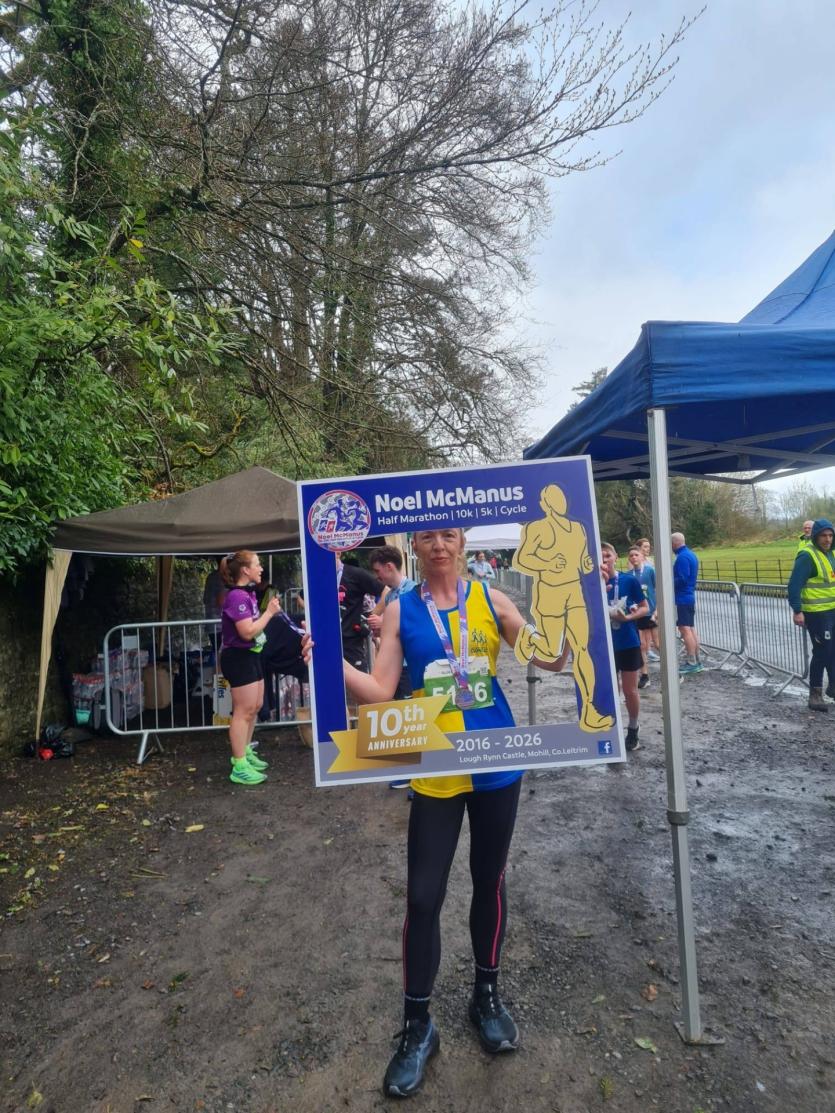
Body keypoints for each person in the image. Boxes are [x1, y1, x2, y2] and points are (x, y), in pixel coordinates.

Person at [343, 527, 564, 1098]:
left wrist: (575, 623)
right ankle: (418, 1026)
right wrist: (328, 664)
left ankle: (485, 997)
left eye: (448, 535)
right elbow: (381, 691)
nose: (439, 545)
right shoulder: (400, 609)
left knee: (489, 880)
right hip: (436, 766)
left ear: (462, 542)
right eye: (428, 537)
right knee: (423, 897)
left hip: (496, 763)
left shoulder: (492, 598)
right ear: (414, 547)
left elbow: (548, 657)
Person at [512, 483, 613, 731]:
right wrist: (547, 563)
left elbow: (583, 561)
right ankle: (530, 637)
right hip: (550, 593)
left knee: (582, 649)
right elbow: (522, 558)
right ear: (545, 504)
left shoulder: (578, 529)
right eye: (553, 498)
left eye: (560, 497)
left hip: (574, 592)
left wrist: (589, 566)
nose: (559, 501)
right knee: (551, 652)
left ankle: (589, 710)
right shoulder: (537, 528)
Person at [219, 551, 282, 785]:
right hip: (238, 657)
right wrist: (269, 613)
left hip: (252, 654)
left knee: (254, 707)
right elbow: (246, 632)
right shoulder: (237, 596)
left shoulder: (248, 593)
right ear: (245, 570)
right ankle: (239, 765)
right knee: (243, 711)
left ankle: (245, 752)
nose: (261, 568)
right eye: (257, 564)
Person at [367, 545, 417, 791]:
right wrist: (378, 628)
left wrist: (384, 622)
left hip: (409, 665)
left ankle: (416, 776)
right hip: (394, 666)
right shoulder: (390, 595)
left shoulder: (414, 591)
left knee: (410, 717)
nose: (377, 577)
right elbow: (388, 631)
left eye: (378, 571)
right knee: (400, 715)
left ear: (389, 567)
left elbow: (415, 627)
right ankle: (409, 772)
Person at [601, 543, 648, 750]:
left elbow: (645, 608)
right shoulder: (592, 583)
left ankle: (633, 727)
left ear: (615, 557)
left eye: (607, 555)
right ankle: (612, 729)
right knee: (610, 690)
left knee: (630, 690)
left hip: (628, 642)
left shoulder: (628, 580)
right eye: (600, 556)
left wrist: (628, 617)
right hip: (604, 644)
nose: (604, 559)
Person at [788, 518, 835, 711]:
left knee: (832, 651)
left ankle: (833, 686)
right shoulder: (807, 556)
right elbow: (794, 585)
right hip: (816, 614)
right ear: (816, 536)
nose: (827, 539)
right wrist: (797, 610)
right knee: (822, 652)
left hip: (832, 611)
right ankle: (815, 695)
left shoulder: (831, 553)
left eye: (830, 535)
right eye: (823, 535)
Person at [336, 555, 381, 672]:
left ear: (338, 553)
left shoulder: (355, 574)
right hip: (328, 641)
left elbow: (386, 591)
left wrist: (368, 619)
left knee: (358, 680)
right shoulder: (320, 577)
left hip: (351, 641)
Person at [627, 544, 657, 688]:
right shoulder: (629, 575)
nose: (634, 558)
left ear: (642, 556)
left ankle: (673, 670)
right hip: (639, 614)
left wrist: (657, 611)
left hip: (652, 612)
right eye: (631, 556)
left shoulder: (650, 571)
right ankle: (645, 676)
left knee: (658, 644)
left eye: (636, 555)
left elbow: (658, 589)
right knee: (642, 646)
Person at [672, 532, 702, 675]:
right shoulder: (691, 554)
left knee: (684, 629)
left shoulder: (682, 557)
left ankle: (691, 662)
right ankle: (697, 660)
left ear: (674, 543)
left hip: (682, 598)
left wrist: (667, 582)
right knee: (690, 628)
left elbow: (682, 579)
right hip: (688, 597)